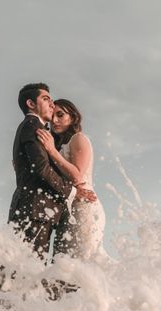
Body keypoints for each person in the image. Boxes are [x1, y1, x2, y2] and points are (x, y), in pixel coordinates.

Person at [8, 83, 96, 260]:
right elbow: (41, 169)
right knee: (28, 267)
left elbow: (42, 168)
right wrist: (72, 191)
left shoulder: (54, 136)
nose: (51, 105)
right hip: (35, 209)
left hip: (46, 210)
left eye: (60, 114)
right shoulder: (33, 127)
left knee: (29, 266)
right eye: (46, 99)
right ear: (31, 104)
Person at [37, 99, 106, 259]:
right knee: (63, 265)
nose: (54, 120)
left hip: (84, 207)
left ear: (73, 117)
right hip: (67, 210)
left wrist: (51, 151)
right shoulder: (58, 145)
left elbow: (76, 175)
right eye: (53, 116)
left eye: (60, 115)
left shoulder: (78, 138)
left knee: (78, 264)